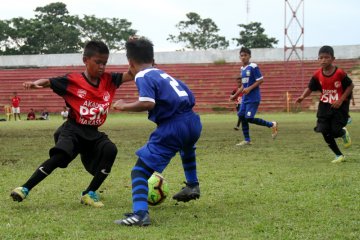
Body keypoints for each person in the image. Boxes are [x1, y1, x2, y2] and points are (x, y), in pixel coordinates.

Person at [10, 40, 134, 207]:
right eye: (98, 62)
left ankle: (89, 193)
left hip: (93, 133)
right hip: (72, 129)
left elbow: (132, 74)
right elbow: (48, 81)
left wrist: (134, 50)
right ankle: (24, 188)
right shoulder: (73, 80)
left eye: (104, 63)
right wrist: (35, 84)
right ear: (85, 60)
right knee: (59, 156)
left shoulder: (109, 79)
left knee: (110, 149)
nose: (102, 67)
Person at [113, 37, 202, 226]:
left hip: (173, 126)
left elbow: (148, 102)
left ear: (130, 63)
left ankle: (140, 215)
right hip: (192, 121)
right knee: (186, 148)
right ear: (153, 60)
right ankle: (192, 184)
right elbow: (190, 96)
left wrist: (123, 105)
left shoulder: (142, 75)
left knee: (139, 171)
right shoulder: (165, 75)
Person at [295, 45, 354, 163]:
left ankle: (342, 132)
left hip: (339, 105)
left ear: (333, 59)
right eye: (321, 57)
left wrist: (341, 100)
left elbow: (350, 85)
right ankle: (339, 155)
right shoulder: (317, 74)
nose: (323, 60)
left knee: (335, 131)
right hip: (325, 105)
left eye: (326, 57)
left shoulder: (339, 73)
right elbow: (310, 88)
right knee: (323, 129)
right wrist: (302, 96)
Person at [233, 47, 278, 146]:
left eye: (245, 55)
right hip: (245, 98)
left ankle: (272, 125)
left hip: (253, 98)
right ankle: (247, 140)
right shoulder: (242, 69)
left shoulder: (253, 66)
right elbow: (243, 86)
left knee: (249, 118)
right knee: (241, 116)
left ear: (249, 56)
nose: (243, 57)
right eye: (241, 55)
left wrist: (249, 89)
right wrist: (235, 95)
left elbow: (261, 80)